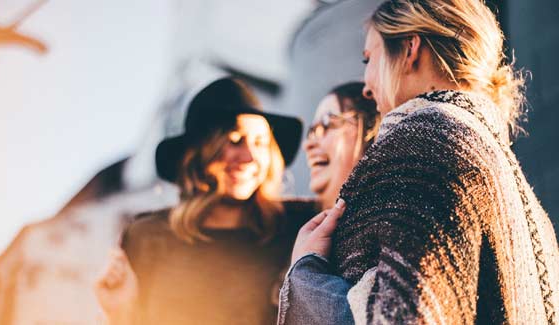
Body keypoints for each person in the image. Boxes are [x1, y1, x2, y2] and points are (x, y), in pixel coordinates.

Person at [280, 0, 559, 324]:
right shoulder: (524, 200)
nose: (367, 87)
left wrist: (305, 272)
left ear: (410, 48)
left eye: (369, 59)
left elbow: (400, 317)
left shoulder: (422, 144)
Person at [94, 77, 318, 325]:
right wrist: (117, 313)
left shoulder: (297, 227)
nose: (250, 157)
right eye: (235, 141)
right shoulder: (146, 237)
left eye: (260, 143)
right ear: (200, 153)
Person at [304, 82, 379, 209]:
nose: (308, 145)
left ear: (371, 132)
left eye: (327, 123)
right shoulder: (284, 222)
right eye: (312, 131)